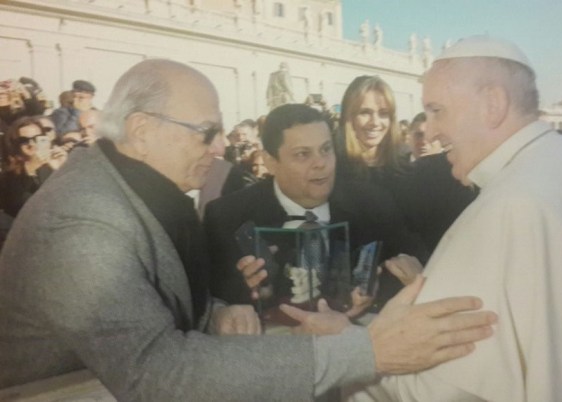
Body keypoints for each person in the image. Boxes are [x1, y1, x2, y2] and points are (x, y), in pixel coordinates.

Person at [0, 59, 497, 401]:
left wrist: (217, 315)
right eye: (206, 132)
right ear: (142, 130)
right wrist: (367, 351)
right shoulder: (81, 223)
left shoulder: (128, 189)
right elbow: (157, 373)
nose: (219, 149)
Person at [345, 35, 562, 402]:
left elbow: (444, 390)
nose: (431, 131)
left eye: (438, 111)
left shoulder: (513, 204)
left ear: (493, 104)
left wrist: (343, 344)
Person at [203, 103, 427, 310]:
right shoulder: (227, 217)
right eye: (303, 154)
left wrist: (377, 291)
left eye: (326, 149)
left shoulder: (373, 204)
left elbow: (416, 267)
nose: (321, 163)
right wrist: (245, 293)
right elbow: (212, 303)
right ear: (270, 161)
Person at [335, 75, 475, 260]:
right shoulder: (334, 176)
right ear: (348, 117)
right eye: (365, 112)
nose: (375, 122)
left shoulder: (409, 172)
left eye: (383, 113)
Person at [0, 116, 66, 218]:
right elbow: (13, 206)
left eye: (37, 138)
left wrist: (62, 169)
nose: (31, 143)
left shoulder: (55, 163)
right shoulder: (10, 175)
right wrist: (30, 168)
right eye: (23, 140)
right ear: (15, 145)